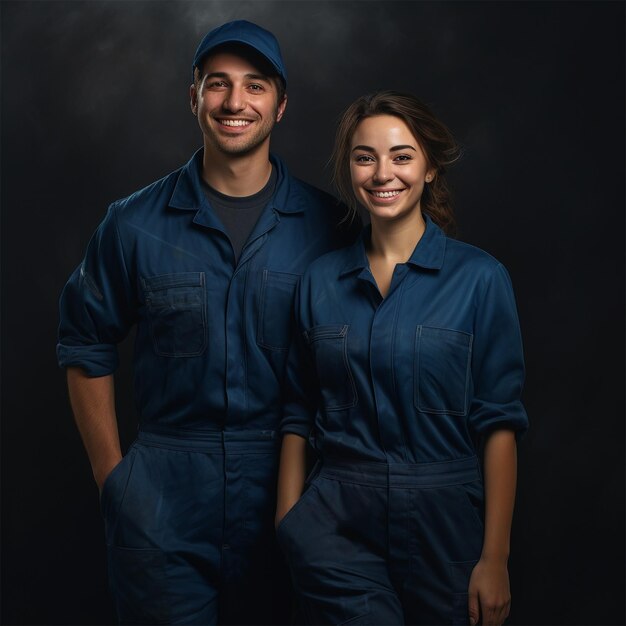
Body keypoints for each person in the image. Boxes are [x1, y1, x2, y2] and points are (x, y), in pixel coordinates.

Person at [57, 20, 356, 625]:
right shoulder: (134, 224)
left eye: (254, 86)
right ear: (192, 95)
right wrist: (115, 481)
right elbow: (85, 343)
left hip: (289, 496)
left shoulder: (332, 230)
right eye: (217, 84)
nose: (234, 102)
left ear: (280, 104)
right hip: (163, 498)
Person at [276, 91, 529, 626]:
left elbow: (499, 423)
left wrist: (496, 558)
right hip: (337, 519)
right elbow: (298, 409)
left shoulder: (480, 279)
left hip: (448, 527)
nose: (381, 172)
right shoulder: (320, 281)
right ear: (350, 168)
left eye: (401, 155)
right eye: (364, 156)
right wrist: (288, 519)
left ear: (430, 167)